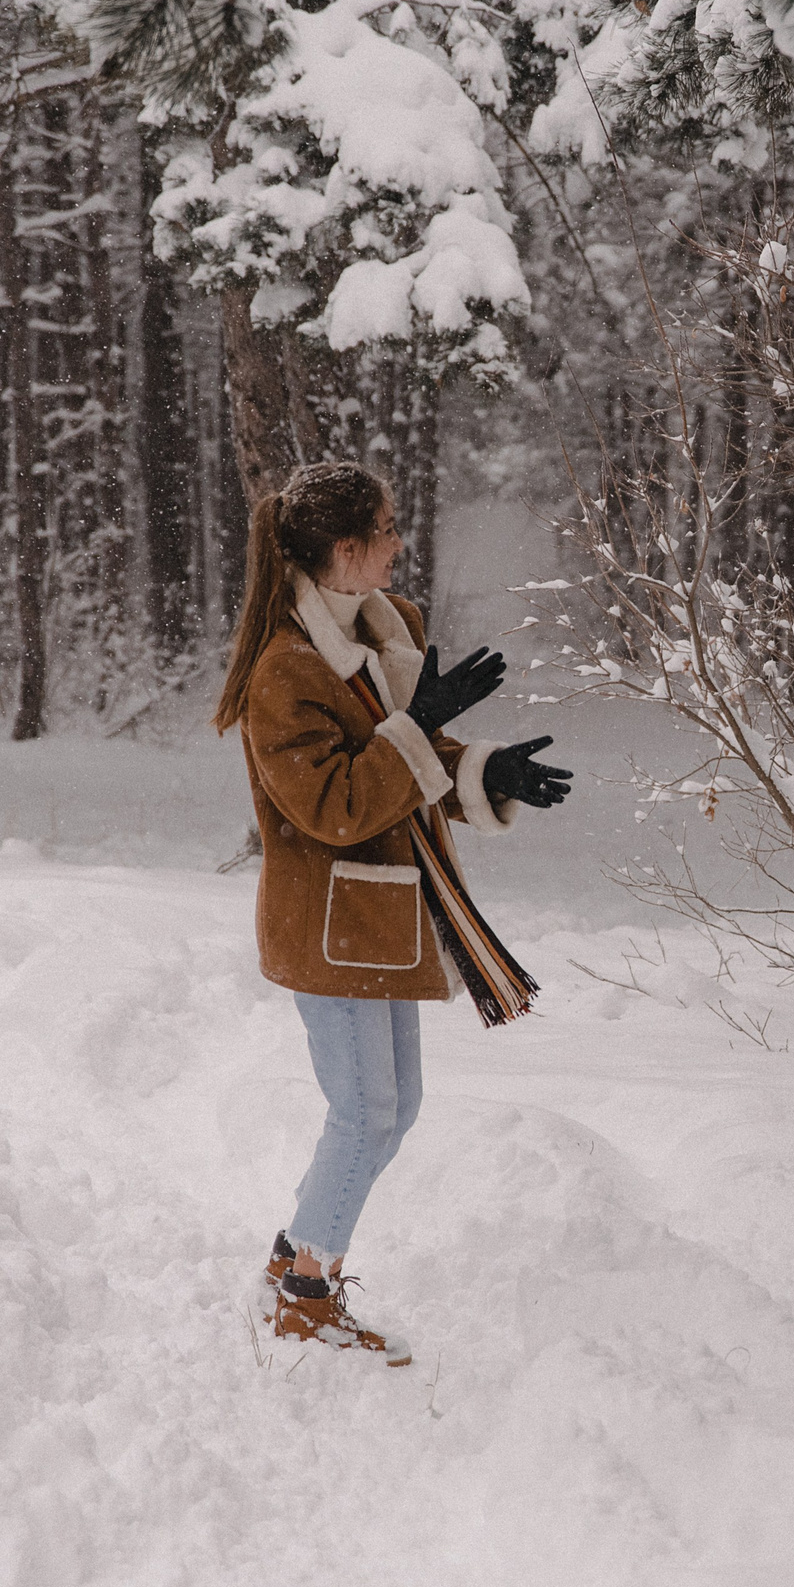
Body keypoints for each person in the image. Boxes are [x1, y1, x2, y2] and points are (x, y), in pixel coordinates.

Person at [212, 462, 572, 1358]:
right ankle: (304, 1292)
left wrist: (488, 770)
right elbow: (335, 802)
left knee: (396, 1107)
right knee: (364, 1113)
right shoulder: (285, 671)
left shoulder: (386, 630)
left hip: (381, 918)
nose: (400, 544)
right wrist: (419, 731)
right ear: (346, 549)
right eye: (387, 529)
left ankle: (297, 1253)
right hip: (325, 928)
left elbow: (420, 761)